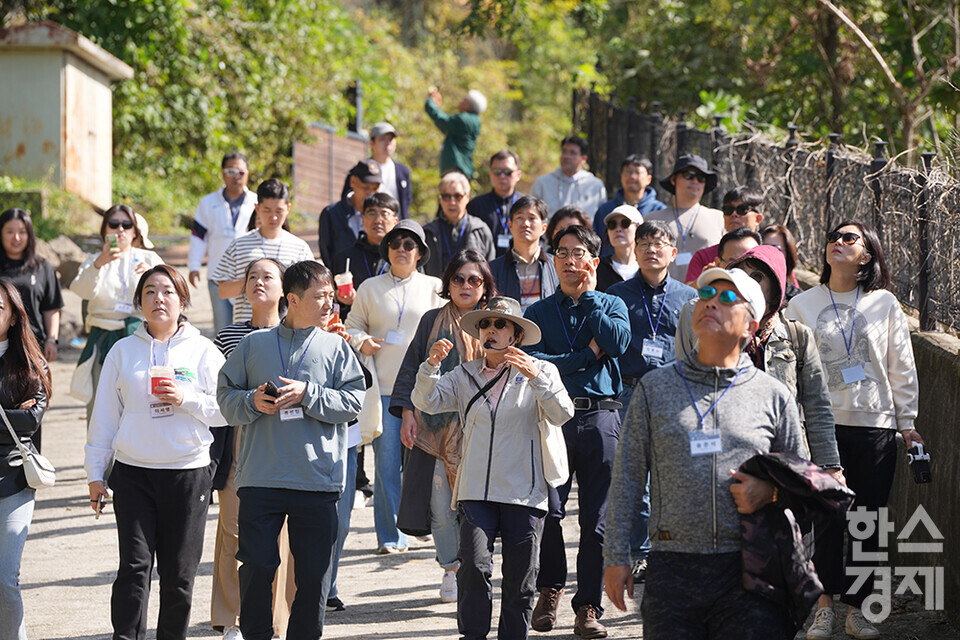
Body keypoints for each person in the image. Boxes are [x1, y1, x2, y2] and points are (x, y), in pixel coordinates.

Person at [603, 267, 807, 640]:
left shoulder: (772, 395)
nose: (711, 301)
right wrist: (615, 556)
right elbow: (628, 476)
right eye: (705, 294)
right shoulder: (654, 387)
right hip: (672, 569)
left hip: (750, 567)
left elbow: (804, 481)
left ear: (750, 325)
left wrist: (771, 491)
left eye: (728, 297)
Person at [786, 221, 923, 640]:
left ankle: (857, 609)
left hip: (875, 425)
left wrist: (908, 423)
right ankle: (824, 607)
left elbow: (901, 365)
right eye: (833, 237)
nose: (838, 243)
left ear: (867, 254)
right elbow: (791, 369)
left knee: (868, 521)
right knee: (824, 520)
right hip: (822, 428)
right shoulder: (801, 305)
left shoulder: (885, 304)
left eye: (850, 238)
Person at [217, 260, 365, 640]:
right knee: (256, 567)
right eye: (320, 297)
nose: (329, 304)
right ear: (293, 299)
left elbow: (353, 403)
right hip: (260, 479)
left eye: (331, 296)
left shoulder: (336, 347)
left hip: (317, 480)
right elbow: (225, 396)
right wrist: (252, 401)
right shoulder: (253, 345)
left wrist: (308, 395)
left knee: (314, 574)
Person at [412, 296, 574, 640]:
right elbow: (425, 401)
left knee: (520, 578)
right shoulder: (463, 374)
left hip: (525, 492)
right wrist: (430, 367)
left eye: (500, 324)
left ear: (515, 334)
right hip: (476, 490)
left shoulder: (542, 370)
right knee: (473, 567)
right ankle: (472, 634)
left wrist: (536, 379)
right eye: (485, 324)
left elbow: (562, 414)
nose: (491, 330)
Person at [85, 265, 227, 640]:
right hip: (133, 473)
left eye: (167, 292)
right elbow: (104, 418)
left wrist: (187, 398)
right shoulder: (122, 351)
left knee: (179, 574)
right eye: (149, 292)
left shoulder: (204, 352)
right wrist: (95, 473)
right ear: (139, 303)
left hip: (187, 473)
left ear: (182, 301)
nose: (158, 299)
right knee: (133, 567)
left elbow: (225, 410)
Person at [524, 225, 631, 639]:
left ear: (594, 261)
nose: (570, 260)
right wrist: (585, 356)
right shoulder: (536, 314)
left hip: (601, 417)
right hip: (553, 419)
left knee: (596, 519)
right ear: (552, 260)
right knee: (549, 511)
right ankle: (549, 588)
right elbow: (534, 364)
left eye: (579, 253)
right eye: (563, 253)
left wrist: (589, 301)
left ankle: (588, 605)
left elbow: (618, 343)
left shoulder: (610, 302)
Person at [674, 245, 843, 481]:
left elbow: (818, 407)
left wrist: (830, 465)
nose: (747, 282)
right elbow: (685, 386)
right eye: (740, 274)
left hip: (782, 457)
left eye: (757, 276)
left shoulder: (797, 335)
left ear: (776, 291)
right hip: (720, 454)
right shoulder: (701, 316)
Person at [391, 250, 494, 603]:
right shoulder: (432, 320)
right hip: (433, 429)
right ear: (447, 283)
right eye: (458, 279)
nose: (466, 286)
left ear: (485, 286)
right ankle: (451, 569)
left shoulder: (494, 321)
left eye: (474, 280)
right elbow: (411, 368)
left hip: (482, 432)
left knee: (477, 505)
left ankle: (478, 565)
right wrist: (407, 413)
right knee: (440, 506)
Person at [606, 220, 698, 582]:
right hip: (630, 392)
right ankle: (641, 552)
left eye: (658, 244)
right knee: (636, 477)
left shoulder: (689, 297)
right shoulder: (617, 295)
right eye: (643, 243)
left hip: (675, 394)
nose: (650, 250)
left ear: (673, 252)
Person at [346, 220, 444, 554]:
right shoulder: (369, 288)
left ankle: (424, 525)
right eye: (395, 243)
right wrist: (361, 341)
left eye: (409, 245)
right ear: (387, 249)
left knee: (426, 464)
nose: (401, 249)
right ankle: (390, 535)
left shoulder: (436, 287)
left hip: (427, 392)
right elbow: (351, 325)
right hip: (383, 391)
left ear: (420, 253)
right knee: (386, 466)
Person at [210, 258, 295, 640]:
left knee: (281, 536)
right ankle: (231, 619)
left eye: (268, 277)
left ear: (284, 290)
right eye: (252, 277)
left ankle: (276, 621)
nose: (258, 282)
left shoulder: (299, 333)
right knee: (233, 531)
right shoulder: (226, 337)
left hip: (289, 442)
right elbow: (218, 394)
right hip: (240, 439)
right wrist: (250, 399)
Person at [69, 205, 164, 424]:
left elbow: (173, 296)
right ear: (105, 231)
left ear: (134, 232)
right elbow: (81, 291)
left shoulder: (148, 258)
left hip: (140, 337)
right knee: (100, 409)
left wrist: (151, 280)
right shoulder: (94, 260)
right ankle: (99, 457)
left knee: (139, 405)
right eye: (114, 224)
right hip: (103, 337)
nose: (120, 229)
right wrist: (97, 265)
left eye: (126, 224)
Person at [0, 280, 50, 640]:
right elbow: (17, 417)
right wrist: (8, 412)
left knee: (5, 579)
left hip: (14, 481)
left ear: (14, 317)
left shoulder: (31, 363)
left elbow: (31, 421)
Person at [212, 179, 315, 324]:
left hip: (287, 332)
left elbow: (309, 291)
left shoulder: (300, 247)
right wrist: (254, 280)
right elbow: (222, 292)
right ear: (257, 208)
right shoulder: (239, 244)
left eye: (279, 211)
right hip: (245, 329)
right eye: (267, 210)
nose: (273, 217)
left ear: (288, 209)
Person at [188, 151, 258, 333]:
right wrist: (194, 266)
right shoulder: (208, 202)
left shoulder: (257, 203)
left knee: (250, 330)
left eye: (241, 172)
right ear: (222, 173)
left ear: (248, 174)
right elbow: (198, 236)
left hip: (249, 277)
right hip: (217, 276)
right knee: (223, 330)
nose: (236, 177)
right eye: (231, 171)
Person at [643, 154, 723, 281]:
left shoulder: (719, 218)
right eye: (688, 175)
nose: (695, 181)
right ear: (673, 180)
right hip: (662, 296)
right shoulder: (652, 219)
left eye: (701, 178)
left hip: (706, 295)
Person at [0, 208, 63, 364]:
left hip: (33, 347)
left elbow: (51, 308)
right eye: (9, 232)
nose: (16, 237)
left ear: (29, 235)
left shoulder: (42, 267)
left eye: (22, 232)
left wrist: (52, 340)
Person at [330, 192, 399, 320]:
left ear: (395, 221)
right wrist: (341, 302)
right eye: (372, 213)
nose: (378, 220)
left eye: (384, 214)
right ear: (362, 219)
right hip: (352, 328)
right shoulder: (344, 258)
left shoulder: (402, 258)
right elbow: (332, 306)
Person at [489, 196, 559, 311]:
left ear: (543, 228)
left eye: (532, 218)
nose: (525, 224)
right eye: (520, 217)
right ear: (510, 225)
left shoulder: (556, 265)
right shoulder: (493, 269)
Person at [684, 186, 764, 283]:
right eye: (728, 210)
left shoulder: (768, 255)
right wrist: (704, 280)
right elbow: (688, 295)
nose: (734, 214)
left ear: (758, 219)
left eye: (742, 209)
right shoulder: (704, 257)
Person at [423, 171, 495, 277]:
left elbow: (490, 270)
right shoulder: (428, 232)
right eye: (446, 196)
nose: (452, 202)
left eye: (458, 196)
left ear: (467, 197)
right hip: (435, 291)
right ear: (440, 199)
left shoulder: (480, 229)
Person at [593, 155, 666, 255]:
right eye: (628, 172)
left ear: (649, 179)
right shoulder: (605, 210)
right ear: (621, 176)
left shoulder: (659, 211)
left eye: (637, 172)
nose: (632, 176)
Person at [319, 160, 383, 267]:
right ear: (352, 181)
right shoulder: (331, 214)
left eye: (375, 188)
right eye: (366, 187)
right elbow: (327, 254)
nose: (370, 193)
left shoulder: (385, 216)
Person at [530, 135, 607, 217]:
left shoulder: (595, 185)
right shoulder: (543, 183)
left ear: (583, 159)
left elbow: (602, 217)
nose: (566, 156)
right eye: (564, 151)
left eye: (572, 153)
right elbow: (532, 214)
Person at [467, 150, 526, 256]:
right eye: (497, 171)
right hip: (485, 266)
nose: (502, 176)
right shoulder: (475, 205)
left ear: (518, 175)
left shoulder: (527, 205)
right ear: (490, 173)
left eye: (508, 172)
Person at [425, 86, 486, 179]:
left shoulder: (464, 119)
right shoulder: (474, 120)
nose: (461, 101)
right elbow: (445, 126)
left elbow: (441, 120)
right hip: (462, 168)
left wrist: (430, 101)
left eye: (464, 99)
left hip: (457, 168)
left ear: (469, 105)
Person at [367, 122, 413, 219]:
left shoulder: (403, 171)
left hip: (395, 229)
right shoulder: (362, 169)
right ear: (372, 143)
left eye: (391, 139)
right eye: (382, 139)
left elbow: (407, 201)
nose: (388, 143)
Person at [595, 205, 643, 292]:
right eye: (612, 225)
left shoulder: (648, 266)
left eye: (625, 223)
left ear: (638, 229)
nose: (618, 229)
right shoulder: (597, 267)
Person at [761, 224, 802, 301]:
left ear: (788, 255)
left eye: (776, 248)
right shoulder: (742, 290)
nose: (768, 253)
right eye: (763, 247)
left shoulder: (798, 300)